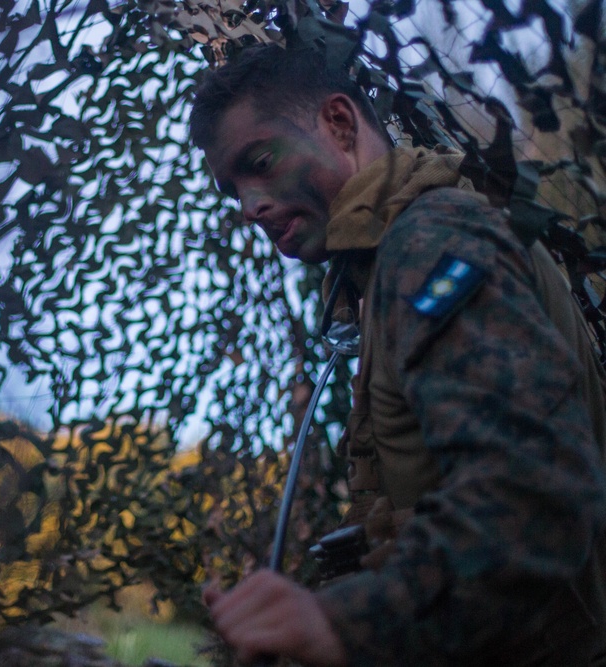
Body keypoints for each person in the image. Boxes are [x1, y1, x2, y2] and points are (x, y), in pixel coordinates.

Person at [189, 44, 606, 666]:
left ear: (338, 123)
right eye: (234, 189)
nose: (250, 207)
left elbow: (532, 495)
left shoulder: (430, 240)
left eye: (262, 161)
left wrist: (340, 623)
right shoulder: (389, 258)